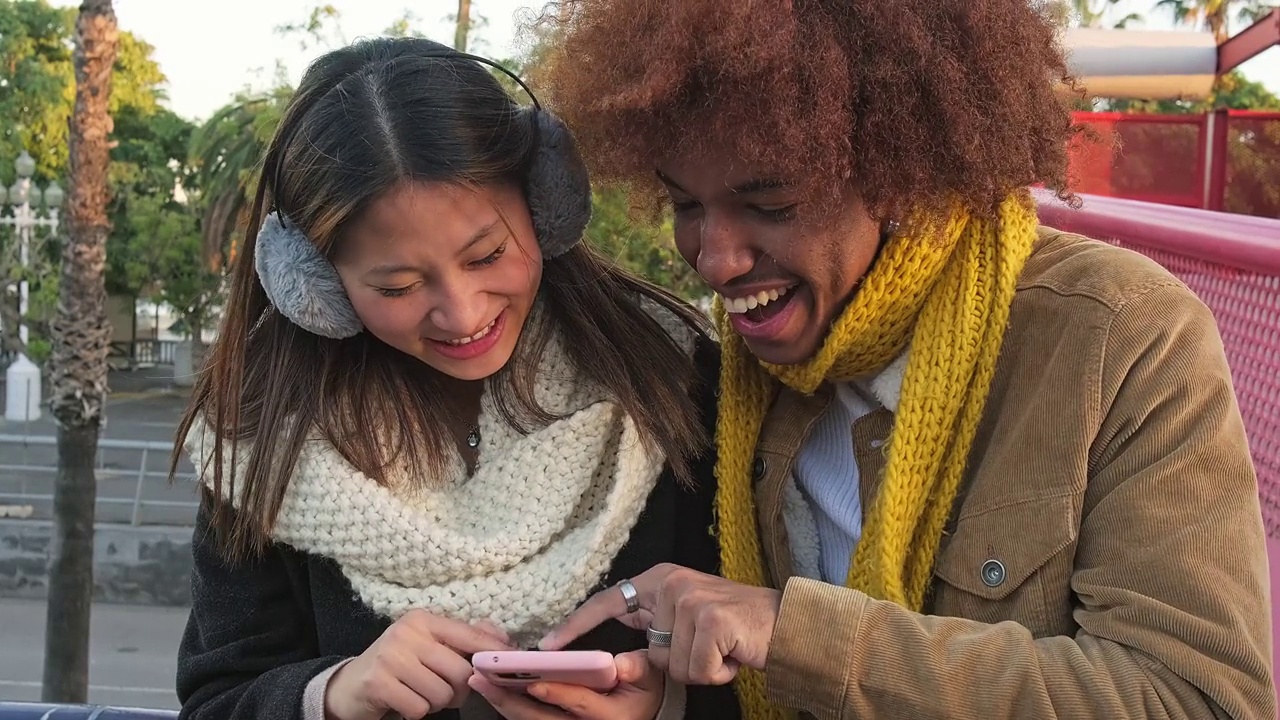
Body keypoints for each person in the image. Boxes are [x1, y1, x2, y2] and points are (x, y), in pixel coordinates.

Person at [535, 1, 1276, 719]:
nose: (716, 260)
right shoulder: (732, 373)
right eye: (686, 205)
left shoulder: (1123, 337)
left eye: (773, 204)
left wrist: (796, 634)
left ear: (901, 173)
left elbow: (1193, 699)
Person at [172, 37, 736, 720]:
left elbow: (757, 658)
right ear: (312, 285)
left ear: (546, 203)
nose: (462, 313)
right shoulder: (263, 438)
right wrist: (333, 694)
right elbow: (216, 700)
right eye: (399, 285)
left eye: (488, 254)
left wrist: (664, 708)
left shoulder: (666, 377)